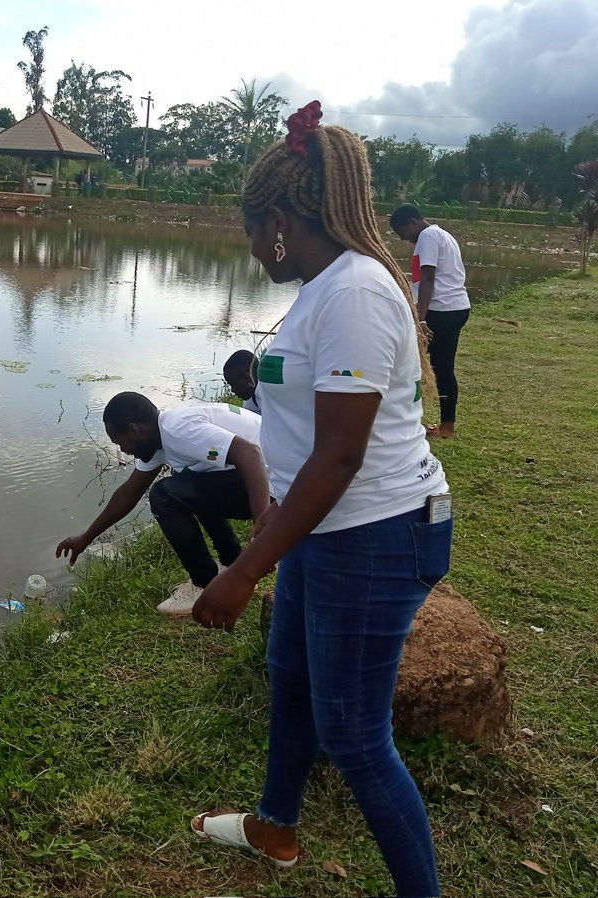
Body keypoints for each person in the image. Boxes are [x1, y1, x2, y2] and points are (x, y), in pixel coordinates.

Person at [188, 101, 452, 898]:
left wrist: (242, 571)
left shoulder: (355, 295)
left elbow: (341, 454)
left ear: (277, 220)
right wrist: (273, 529)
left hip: (376, 535)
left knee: (357, 738)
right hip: (324, 529)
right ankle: (274, 828)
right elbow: (308, 443)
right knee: (291, 679)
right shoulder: (325, 287)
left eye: (249, 228)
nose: (249, 246)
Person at [56, 392, 270, 617]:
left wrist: (264, 530)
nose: (123, 451)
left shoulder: (178, 431)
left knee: (165, 494)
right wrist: (86, 538)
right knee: (189, 485)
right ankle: (233, 563)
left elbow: (250, 453)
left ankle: (204, 583)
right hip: (276, 478)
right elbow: (127, 496)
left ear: (135, 431)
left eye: (120, 443)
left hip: (279, 487)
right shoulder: (161, 437)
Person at [390, 203, 471, 439]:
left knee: (423, 365)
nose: (403, 239)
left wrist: (421, 320)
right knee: (438, 366)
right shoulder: (441, 234)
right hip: (454, 308)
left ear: (412, 222)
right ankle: (442, 425)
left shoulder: (428, 236)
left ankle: (442, 427)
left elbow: (428, 278)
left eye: (401, 232)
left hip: (442, 311)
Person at [223, 349, 261, 414]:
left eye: (234, 385)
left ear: (248, 379)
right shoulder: (251, 403)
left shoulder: (273, 397)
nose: (232, 390)